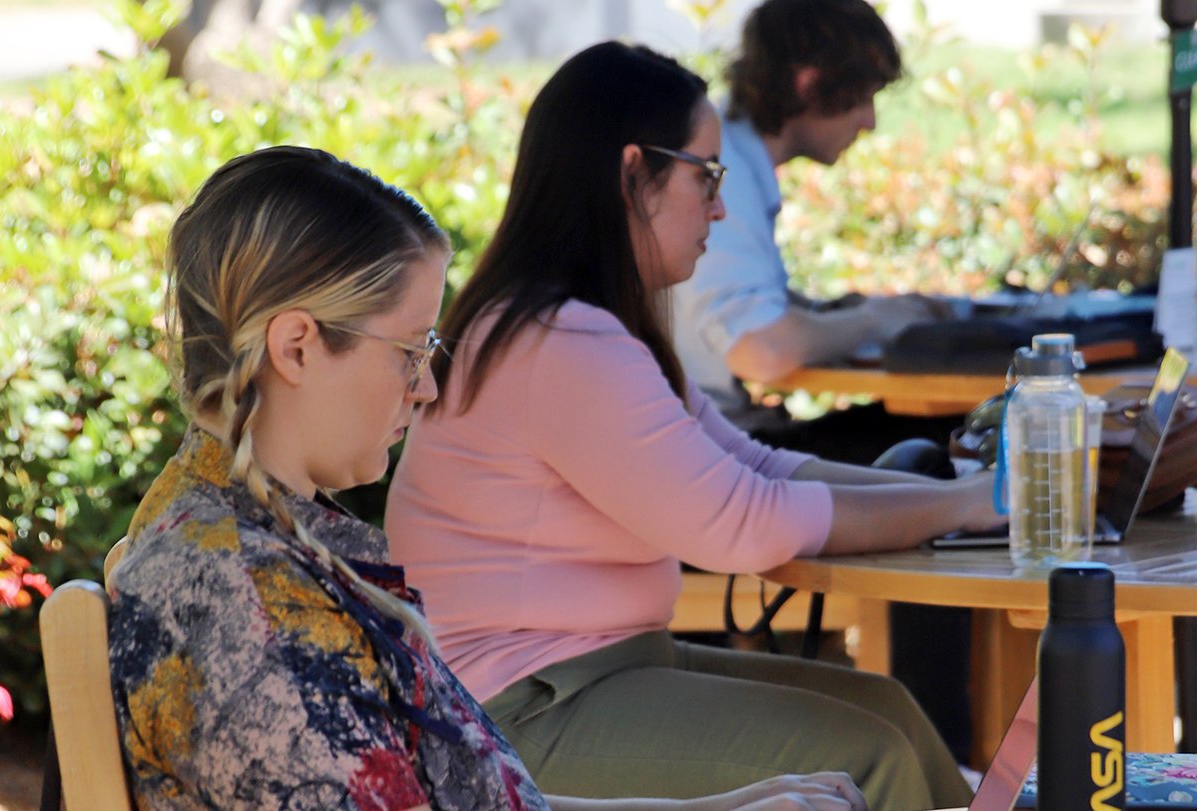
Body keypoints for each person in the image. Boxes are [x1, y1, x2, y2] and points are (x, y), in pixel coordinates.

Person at [107, 145, 868, 811]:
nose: (427, 388)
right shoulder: (246, 602)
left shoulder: (258, 544)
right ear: (298, 347)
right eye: (409, 352)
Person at [384, 41, 998, 811]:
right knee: (868, 754)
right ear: (633, 173)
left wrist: (977, 496)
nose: (719, 206)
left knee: (891, 712)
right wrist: (970, 503)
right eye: (706, 176)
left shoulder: (580, 324)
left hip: (591, 674)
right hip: (511, 715)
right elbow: (744, 523)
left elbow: (754, 463)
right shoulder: (560, 341)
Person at [669, 0, 975, 763]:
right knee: (932, 452)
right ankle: (946, 736)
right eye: (864, 93)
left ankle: (948, 737)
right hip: (708, 457)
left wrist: (843, 312)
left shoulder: (735, 161)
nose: (870, 121)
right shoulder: (725, 170)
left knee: (931, 457)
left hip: (713, 438)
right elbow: (762, 350)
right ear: (810, 82)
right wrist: (880, 317)